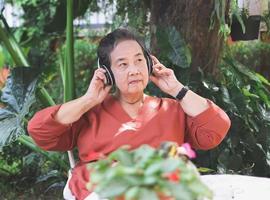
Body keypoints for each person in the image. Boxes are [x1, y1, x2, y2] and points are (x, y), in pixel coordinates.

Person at [28, 28, 231, 200]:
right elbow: (40, 131)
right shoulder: (88, 113)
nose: (134, 70)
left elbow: (215, 130)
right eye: (123, 64)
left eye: (139, 61)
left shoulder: (172, 109)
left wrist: (177, 89)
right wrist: (89, 99)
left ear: (150, 64)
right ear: (107, 72)